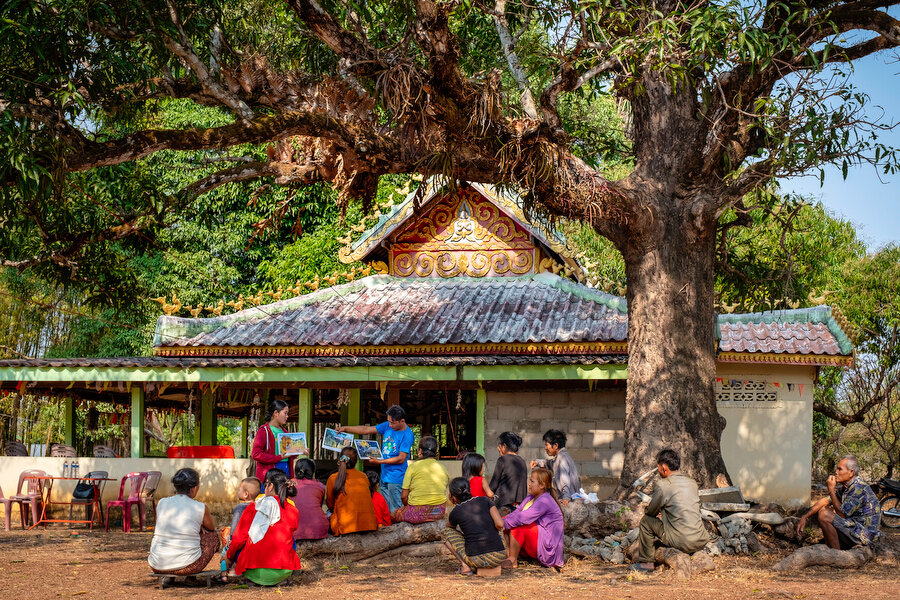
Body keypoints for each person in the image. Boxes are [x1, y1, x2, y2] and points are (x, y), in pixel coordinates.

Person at [630, 448, 709, 573]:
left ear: (664, 468)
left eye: (659, 468)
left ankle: (647, 563)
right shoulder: (692, 483)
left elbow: (651, 512)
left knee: (646, 521)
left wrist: (656, 509)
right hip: (700, 539)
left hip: (681, 541)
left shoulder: (663, 485)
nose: (659, 472)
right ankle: (692, 551)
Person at [226, 469, 302, 586]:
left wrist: (228, 557)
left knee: (238, 543)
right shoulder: (293, 510)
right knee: (291, 541)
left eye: (266, 484)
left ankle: (252, 579)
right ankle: (280, 579)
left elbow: (238, 539)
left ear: (270, 486)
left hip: (254, 572)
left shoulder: (254, 507)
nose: (264, 487)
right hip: (283, 571)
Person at [337, 405, 414, 513]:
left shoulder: (407, 435)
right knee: (386, 510)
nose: (390, 425)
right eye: (389, 422)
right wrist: (345, 428)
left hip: (397, 478)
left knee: (396, 510)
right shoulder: (388, 425)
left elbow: (401, 458)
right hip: (384, 475)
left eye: (393, 422)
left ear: (402, 421)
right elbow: (366, 429)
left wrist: (379, 461)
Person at [796, 455, 881, 549]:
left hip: (864, 537)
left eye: (839, 469)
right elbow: (825, 501)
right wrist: (805, 517)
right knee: (825, 509)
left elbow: (843, 514)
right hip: (855, 529)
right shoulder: (847, 487)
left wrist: (831, 490)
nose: (836, 472)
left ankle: (835, 553)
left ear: (851, 472)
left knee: (824, 514)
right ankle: (831, 548)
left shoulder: (858, 488)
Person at [148, 468, 220, 577]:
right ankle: (190, 577)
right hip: (188, 567)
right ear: (194, 488)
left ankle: (168, 577)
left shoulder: (162, 503)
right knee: (212, 537)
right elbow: (211, 528)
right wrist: (199, 525)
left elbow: (160, 525)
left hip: (156, 565)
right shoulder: (200, 507)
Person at [501, 467, 564, 570]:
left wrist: (502, 523)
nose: (529, 484)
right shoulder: (531, 498)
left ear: (542, 485)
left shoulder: (545, 500)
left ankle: (512, 560)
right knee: (507, 520)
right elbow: (517, 513)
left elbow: (523, 518)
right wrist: (502, 520)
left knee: (517, 527)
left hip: (548, 547)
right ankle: (510, 556)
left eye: (532, 481)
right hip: (538, 538)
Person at [442, 477, 507, 575]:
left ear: (453, 497)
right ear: (469, 490)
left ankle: (465, 567)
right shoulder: (486, 500)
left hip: (475, 559)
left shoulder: (455, 512)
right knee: (499, 527)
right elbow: (500, 524)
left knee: (444, 532)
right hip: (499, 556)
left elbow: (449, 528)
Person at [393, 436, 450, 524]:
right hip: (438, 512)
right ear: (436, 452)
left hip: (416, 514)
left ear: (420, 451)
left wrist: (406, 507)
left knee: (394, 515)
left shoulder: (413, 467)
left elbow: (404, 496)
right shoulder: (443, 468)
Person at [326, 446, 379, 535]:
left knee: (328, 513)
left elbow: (330, 504)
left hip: (345, 528)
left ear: (340, 459)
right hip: (369, 525)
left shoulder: (333, 478)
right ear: (356, 461)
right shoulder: (363, 476)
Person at [219, 477, 261, 581]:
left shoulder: (239, 509)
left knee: (225, 550)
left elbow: (235, 529)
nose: (237, 491)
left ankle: (224, 574)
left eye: (239, 490)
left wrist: (230, 539)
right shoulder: (258, 506)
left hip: (240, 541)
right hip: (254, 541)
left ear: (246, 494)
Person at [530, 429, 581, 506]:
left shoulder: (562, 458)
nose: (545, 448)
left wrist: (566, 498)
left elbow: (565, 480)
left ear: (555, 446)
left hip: (568, 501)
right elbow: (549, 463)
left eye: (547, 445)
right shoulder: (561, 457)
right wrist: (537, 462)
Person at [252, 399, 294, 481]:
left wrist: (300, 450)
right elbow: (256, 454)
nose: (287, 416)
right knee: (270, 494)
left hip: (285, 469)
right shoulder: (264, 431)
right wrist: (278, 457)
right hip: (269, 472)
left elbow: (289, 453)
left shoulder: (285, 432)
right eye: (285, 413)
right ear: (276, 413)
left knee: (283, 493)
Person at [490, 431, 528, 513]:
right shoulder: (522, 461)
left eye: (499, 445)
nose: (498, 448)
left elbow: (493, 484)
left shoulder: (502, 460)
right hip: (519, 505)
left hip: (503, 504)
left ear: (504, 446)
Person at [291, 458, 329, 541]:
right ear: (313, 472)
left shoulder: (289, 484)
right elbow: (320, 504)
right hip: (318, 530)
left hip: (294, 532)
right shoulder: (320, 485)